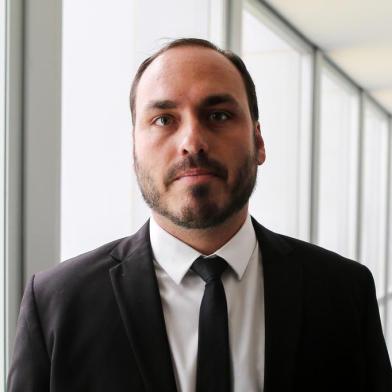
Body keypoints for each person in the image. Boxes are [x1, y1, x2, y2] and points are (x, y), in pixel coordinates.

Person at [7, 38, 392, 392]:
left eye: (219, 115)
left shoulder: (343, 292)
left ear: (258, 141)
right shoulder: (58, 303)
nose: (192, 141)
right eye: (163, 119)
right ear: (134, 150)